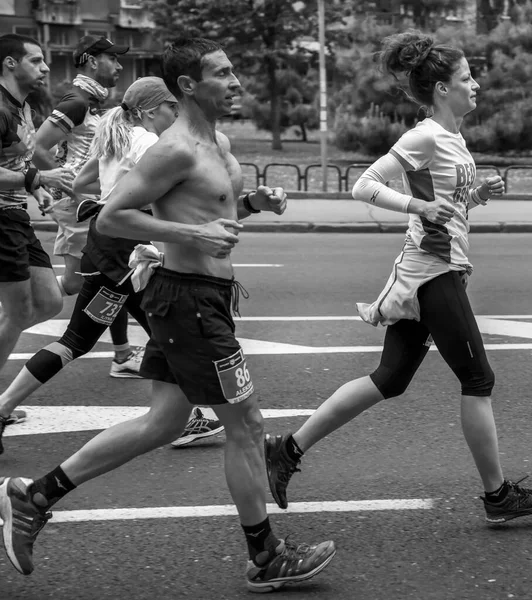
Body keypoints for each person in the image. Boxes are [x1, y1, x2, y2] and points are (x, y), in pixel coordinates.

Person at [0, 37, 336, 593]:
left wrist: (255, 203)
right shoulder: (174, 148)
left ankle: (33, 497)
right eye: (223, 74)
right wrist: (190, 233)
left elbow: (213, 207)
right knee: (248, 426)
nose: (236, 83)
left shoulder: (218, 142)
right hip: (188, 301)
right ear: (187, 86)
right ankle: (265, 556)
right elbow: (111, 217)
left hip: (204, 298)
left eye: (233, 72)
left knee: (165, 421)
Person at [264, 30, 532, 526]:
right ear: (442, 89)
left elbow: (446, 202)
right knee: (478, 378)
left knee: (390, 379)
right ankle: (497, 495)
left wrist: (475, 196)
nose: (476, 84)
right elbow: (364, 185)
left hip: (437, 265)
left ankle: (287, 449)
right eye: (467, 77)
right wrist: (417, 204)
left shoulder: (452, 137)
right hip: (432, 271)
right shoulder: (423, 135)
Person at [0, 76, 223, 455]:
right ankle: (3, 406)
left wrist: (107, 199)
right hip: (127, 255)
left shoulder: (115, 138)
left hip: (112, 250)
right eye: (172, 107)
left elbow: (82, 182)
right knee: (81, 340)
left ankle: (187, 417)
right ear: (153, 110)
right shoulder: (149, 143)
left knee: (159, 331)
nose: (175, 114)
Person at [32, 35, 142, 379]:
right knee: (92, 278)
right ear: (92, 61)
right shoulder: (77, 102)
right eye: (112, 58)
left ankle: (123, 353)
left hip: (91, 204)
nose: (119, 65)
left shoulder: (93, 102)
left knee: (107, 274)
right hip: (81, 205)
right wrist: (60, 181)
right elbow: (38, 146)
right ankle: (16, 307)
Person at [0, 34, 73, 426]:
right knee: (18, 311)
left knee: (48, 302)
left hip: (15, 218)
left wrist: (38, 189)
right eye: (36, 60)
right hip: (0, 220)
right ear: (11, 64)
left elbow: (19, 165)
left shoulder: (21, 107)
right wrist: (38, 177)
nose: (45, 68)